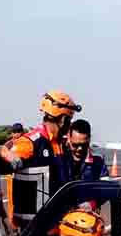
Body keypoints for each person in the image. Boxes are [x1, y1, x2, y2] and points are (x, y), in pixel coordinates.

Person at [8, 91, 80, 226]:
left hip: (57, 221)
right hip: (35, 226)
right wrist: (7, 154)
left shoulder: (61, 145)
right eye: (69, 120)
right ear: (63, 120)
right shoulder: (30, 143)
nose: (69, 124)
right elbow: (4, 163)